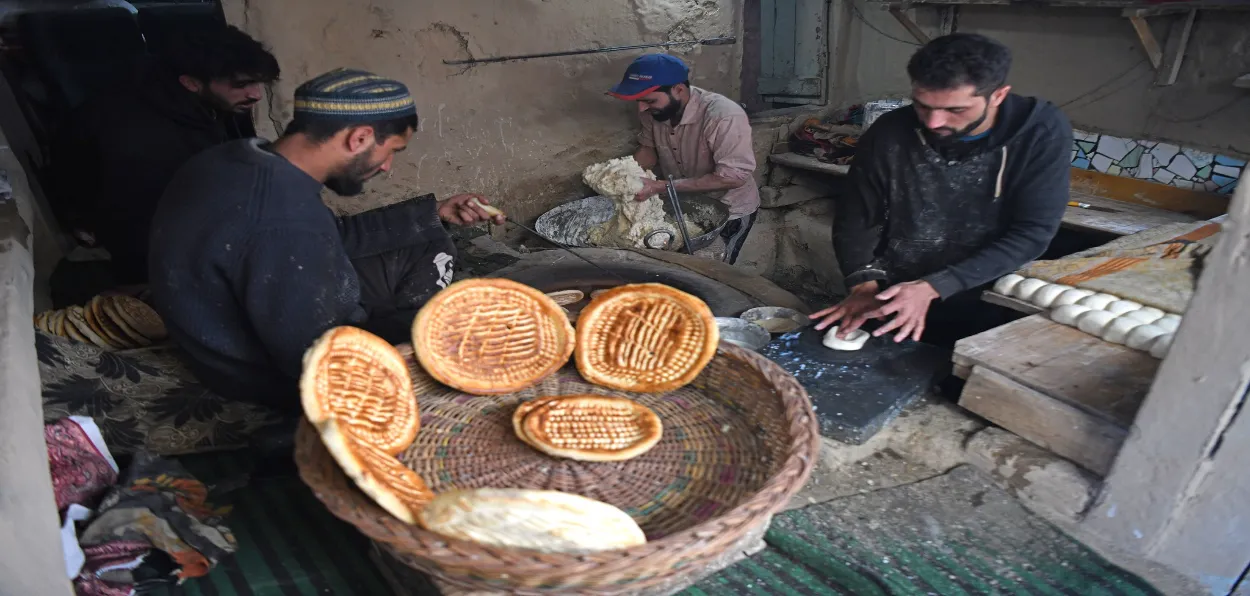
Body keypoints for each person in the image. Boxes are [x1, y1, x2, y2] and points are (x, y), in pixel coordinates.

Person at [148, 69, 504, 411]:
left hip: (223, 321)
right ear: (359, 138)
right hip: (254, 371)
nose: (386, 167)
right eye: (392, 150)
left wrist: (435, 213)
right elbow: (314, 355)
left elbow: (327, 234)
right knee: (455, 335)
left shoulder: (236, 158)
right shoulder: (283, 221)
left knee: (428, 241)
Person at [811, 33, 1072, 347]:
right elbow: (858, 216)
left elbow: (1033, 232)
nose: (934, 122)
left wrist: (935, 286)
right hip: (898, 289)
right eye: (922, 106)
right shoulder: (890, 132)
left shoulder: (1039, 132)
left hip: (988, 289)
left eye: (955, 110)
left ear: (998, 96)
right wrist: (864, 283)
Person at [50, 25, 280, 287]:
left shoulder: (203, 105)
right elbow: (149, 229)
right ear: (190, 83)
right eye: (241, 84)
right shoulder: (141, 138)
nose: (256, 94)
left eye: (257, 82)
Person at [608, 54, 760, 264]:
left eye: (649, 100)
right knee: (677, 266)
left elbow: (733, 177)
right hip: (683, 204)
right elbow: (648, 151)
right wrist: (624, 178)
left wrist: (660, 186)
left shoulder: (723, 116)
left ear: (678, 90)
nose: (641, 108)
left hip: (729, 208)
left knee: (712, 271)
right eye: (638, 100)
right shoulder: (652, 113)